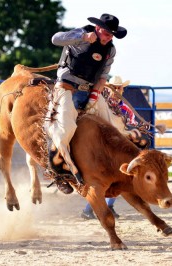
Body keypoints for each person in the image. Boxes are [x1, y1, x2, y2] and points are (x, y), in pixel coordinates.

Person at [48, 13, 136, 194]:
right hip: (66, 86)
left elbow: (103, 76)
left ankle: (116, 167)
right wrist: (82, 37)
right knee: (65, 129)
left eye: (111, 35)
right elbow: (55, 39)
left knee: (112, 126)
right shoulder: (82, 34)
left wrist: (95, 94)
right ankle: (58, 172)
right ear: (98, 29)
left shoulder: (110, 50)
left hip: (89, 90)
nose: (108, 38)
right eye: (106, 33)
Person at [80, 75, 134, 220]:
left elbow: (132, 126)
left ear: (122, 89)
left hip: (117, 148)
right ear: (109, 89)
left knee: (116, 178)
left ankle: (98, 208)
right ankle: (92, 208)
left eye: (119, 87)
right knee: (102, 178)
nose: (116, 90)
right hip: (101, 147)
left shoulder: (125, 109)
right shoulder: (101, 103)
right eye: (114, 87)